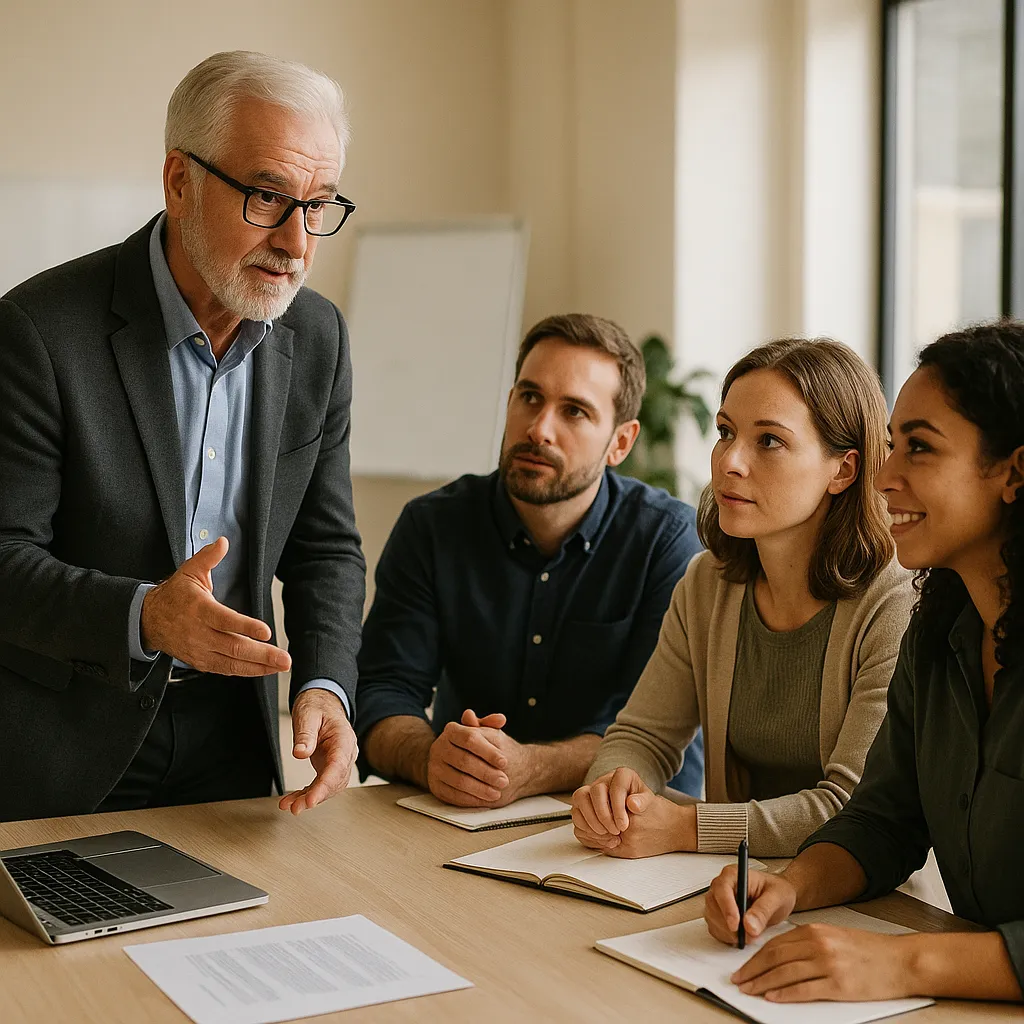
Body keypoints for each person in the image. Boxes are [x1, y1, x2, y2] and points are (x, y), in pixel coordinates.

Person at [0, 51, 366, 821]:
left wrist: (326, 687)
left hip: (235, 738)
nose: (297, 243)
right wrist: (145, 616)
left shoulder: (319, 337)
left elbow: (325, 547)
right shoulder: (38, 333)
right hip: (72, 744)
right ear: (179, 181)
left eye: (319, 204)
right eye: (268, 197)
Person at [703, 322, 1024, 1004]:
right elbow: (883, 821)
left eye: (920, 449)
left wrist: (906, 965)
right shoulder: (939, 632)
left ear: (1014, 473)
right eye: (889, 447)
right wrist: (790, 885)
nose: (883, 477)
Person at [572, 338, 916, 858]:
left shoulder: (894, 604)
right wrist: (612, 790)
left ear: (842, 470)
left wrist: (687, 829)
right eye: (725, 432)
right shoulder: (708, 583)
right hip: (722, 883)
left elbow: (850, 807)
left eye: (770, 441)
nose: (730, 461)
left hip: (862, 904)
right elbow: (641, 735)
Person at [356, 313, 705, 805]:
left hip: (626, 825)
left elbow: (662, 737)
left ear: (621, 442)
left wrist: (532, 769)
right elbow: (381, 691)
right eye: (530, 398)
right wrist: (429, 757)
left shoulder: (667, 543)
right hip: (460, 817)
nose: (539, 429)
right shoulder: (433, 527)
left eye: (575, 412)